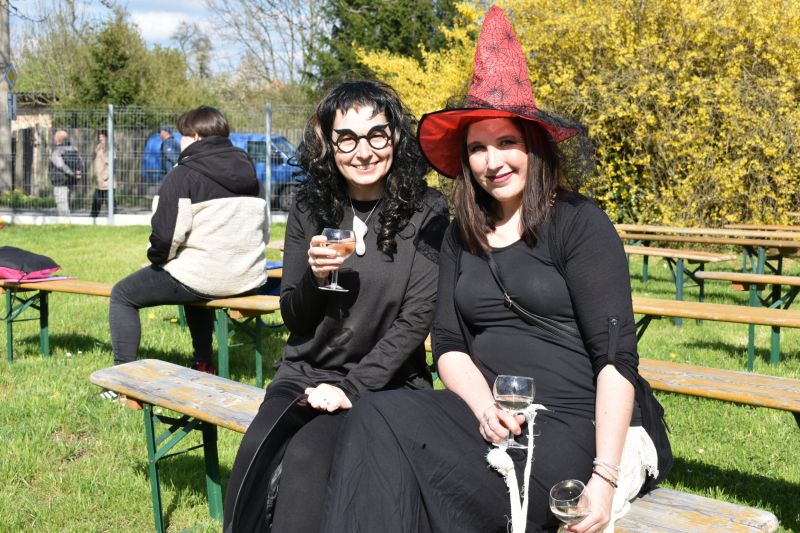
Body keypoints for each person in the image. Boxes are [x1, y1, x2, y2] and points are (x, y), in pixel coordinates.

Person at [321, 7, 666, 533]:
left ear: (534, 146)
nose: (492, 161)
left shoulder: (579, 224)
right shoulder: (460, 233)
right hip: (488, 416)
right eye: (478, 148)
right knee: (377, 414)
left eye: (507, 142)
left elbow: (616, 359)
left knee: (418, 474)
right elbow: (449, 344)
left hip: (573, 424)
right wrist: (484, 409)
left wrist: (605, 477)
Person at [223, 80, 449, 533]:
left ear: (396, 136)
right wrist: (315, 278)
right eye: (347, 138)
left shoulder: (427, 209)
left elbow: (415, 320)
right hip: (306, 371)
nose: (363, 152)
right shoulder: (310, 206)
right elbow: (293, 315)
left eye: (376, 135)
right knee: (254, 458)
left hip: (387, 382)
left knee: (309, 459)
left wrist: (352, 388)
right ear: (329, 143)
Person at [107, 106, 268, 382]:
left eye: (182, 135)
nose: (178, 141)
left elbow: (165, 237)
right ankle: (203, 362)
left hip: (205, 277)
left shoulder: (183, 174)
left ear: (194, 137)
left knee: (122, 294)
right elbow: (263, 229)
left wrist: (157, 261)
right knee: (195, 284)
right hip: (248, 278)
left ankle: (121, 379)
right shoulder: (250, 173)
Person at [49, 129, 83, 216]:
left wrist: (70, 172)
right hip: (71, 181)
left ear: (57, 139)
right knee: (68, 202)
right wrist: (75, 174)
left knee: (62, 205)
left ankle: (65, 221)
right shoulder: (74, 149)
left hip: (60, 181)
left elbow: (60, 165)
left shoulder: (57, 151)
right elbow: (81, 162)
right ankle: (67, 220)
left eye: (55, 137)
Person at [91, 130, 111, 218]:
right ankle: (93, 217)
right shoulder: (99, 147)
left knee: (108, 200)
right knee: (97, 199)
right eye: (99, 137)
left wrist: (106, 175)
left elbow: (110, 163)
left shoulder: (110, 148)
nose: (100, 139)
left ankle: (113, 217)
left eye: (102, 137)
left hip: (107, 178)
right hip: (99, 178)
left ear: (107, 137)